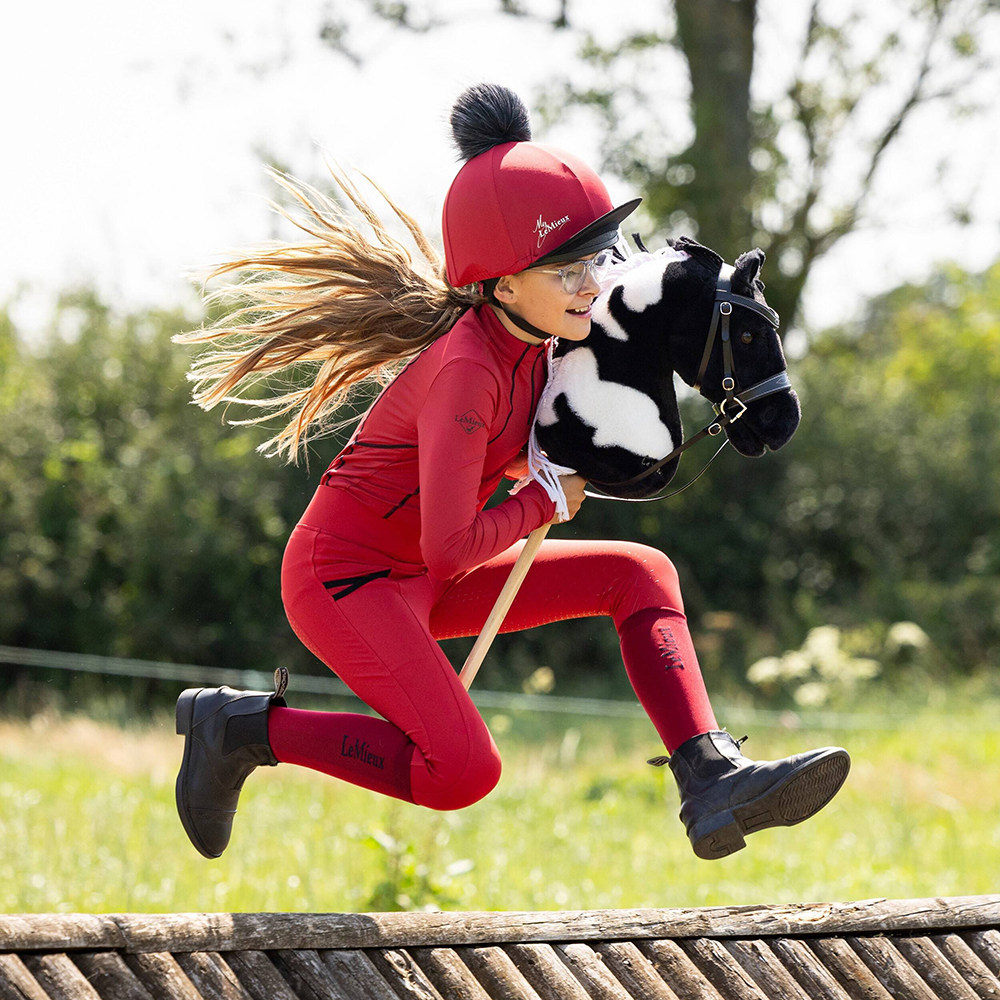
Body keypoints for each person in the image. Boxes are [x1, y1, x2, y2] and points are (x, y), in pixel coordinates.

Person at [173, 83, 849, 862]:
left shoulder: (543, 335)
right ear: (501, 283)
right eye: (567, 271)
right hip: (347, 581)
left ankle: (710, 776)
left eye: (592, 262)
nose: (590, 285)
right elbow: (455, 548)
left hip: (420, 569)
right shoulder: (468, 373)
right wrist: (542, 500)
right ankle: (243, 730)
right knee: (460, 772)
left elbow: (641, 330)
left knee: (641, 574)